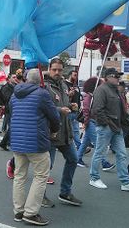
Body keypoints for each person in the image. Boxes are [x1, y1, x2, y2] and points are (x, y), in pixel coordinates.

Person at [11, 68, 60, 226]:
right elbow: (54, 117)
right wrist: (54, 131)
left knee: (19, 176)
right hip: (36, 142)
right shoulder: (42, 94)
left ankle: (19, 210)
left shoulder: (14, 94)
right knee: (40, 176)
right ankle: (31, 213)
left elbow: (12, 113)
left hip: (17, 141)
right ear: (40, 81)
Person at [89, 68, 129, 192]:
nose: (118, 78)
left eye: (119, 76)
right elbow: (97, 110)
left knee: (122, 154)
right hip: (106, 127)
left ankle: (125, 181)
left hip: (116, 127)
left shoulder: (115, 91)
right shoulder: (101, 90)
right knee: (99, 153)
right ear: (107, 77)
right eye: (116, 76)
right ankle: (94, 177)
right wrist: (107, 124)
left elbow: (121, 111)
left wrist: (128, 123)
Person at [45, 58, 82, 206]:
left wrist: (71, 105)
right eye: (54, 69)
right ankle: (40, 196)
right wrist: (60, 110)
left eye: (59, 70)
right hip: (51, 133)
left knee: (73, 159)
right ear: (49, 68)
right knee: (46, 168)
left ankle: (65, 192)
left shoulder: (63, 85)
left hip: (66, 131)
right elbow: (42, 108)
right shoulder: (44, 86)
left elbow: (64, 103)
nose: (57, 72)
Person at [76, 77, 113, 170]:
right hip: (90, 121)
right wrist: (86, 121)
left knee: (85, 142)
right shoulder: (89, 97)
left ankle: (77, 159)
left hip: (93, 121)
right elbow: (86, 110)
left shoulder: (94, 96)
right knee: (98, 143)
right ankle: (104, 162)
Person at [0, 74, 17, 150]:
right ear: (9, 79)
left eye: (16, 77)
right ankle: (5, 142)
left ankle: (7, 142)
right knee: (12, 127)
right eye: (13, 77)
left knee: (12, 127)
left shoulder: (15, 86)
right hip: (9, 109)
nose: (15, 78)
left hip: (14, 109)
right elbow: (7, 98)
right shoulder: (6, 87)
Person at [64, 70, 82, 149]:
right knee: (74, 130)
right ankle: (80, 146)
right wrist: (69, 95)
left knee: (75, 130)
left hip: (76, 111)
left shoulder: (76, 86)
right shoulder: (64, 84)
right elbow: (63, 97)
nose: (76, 77)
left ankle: (78, 146)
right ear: (70, 75)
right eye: (74, 75)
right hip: (69, 110)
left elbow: (78, 98)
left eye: (76, 76)